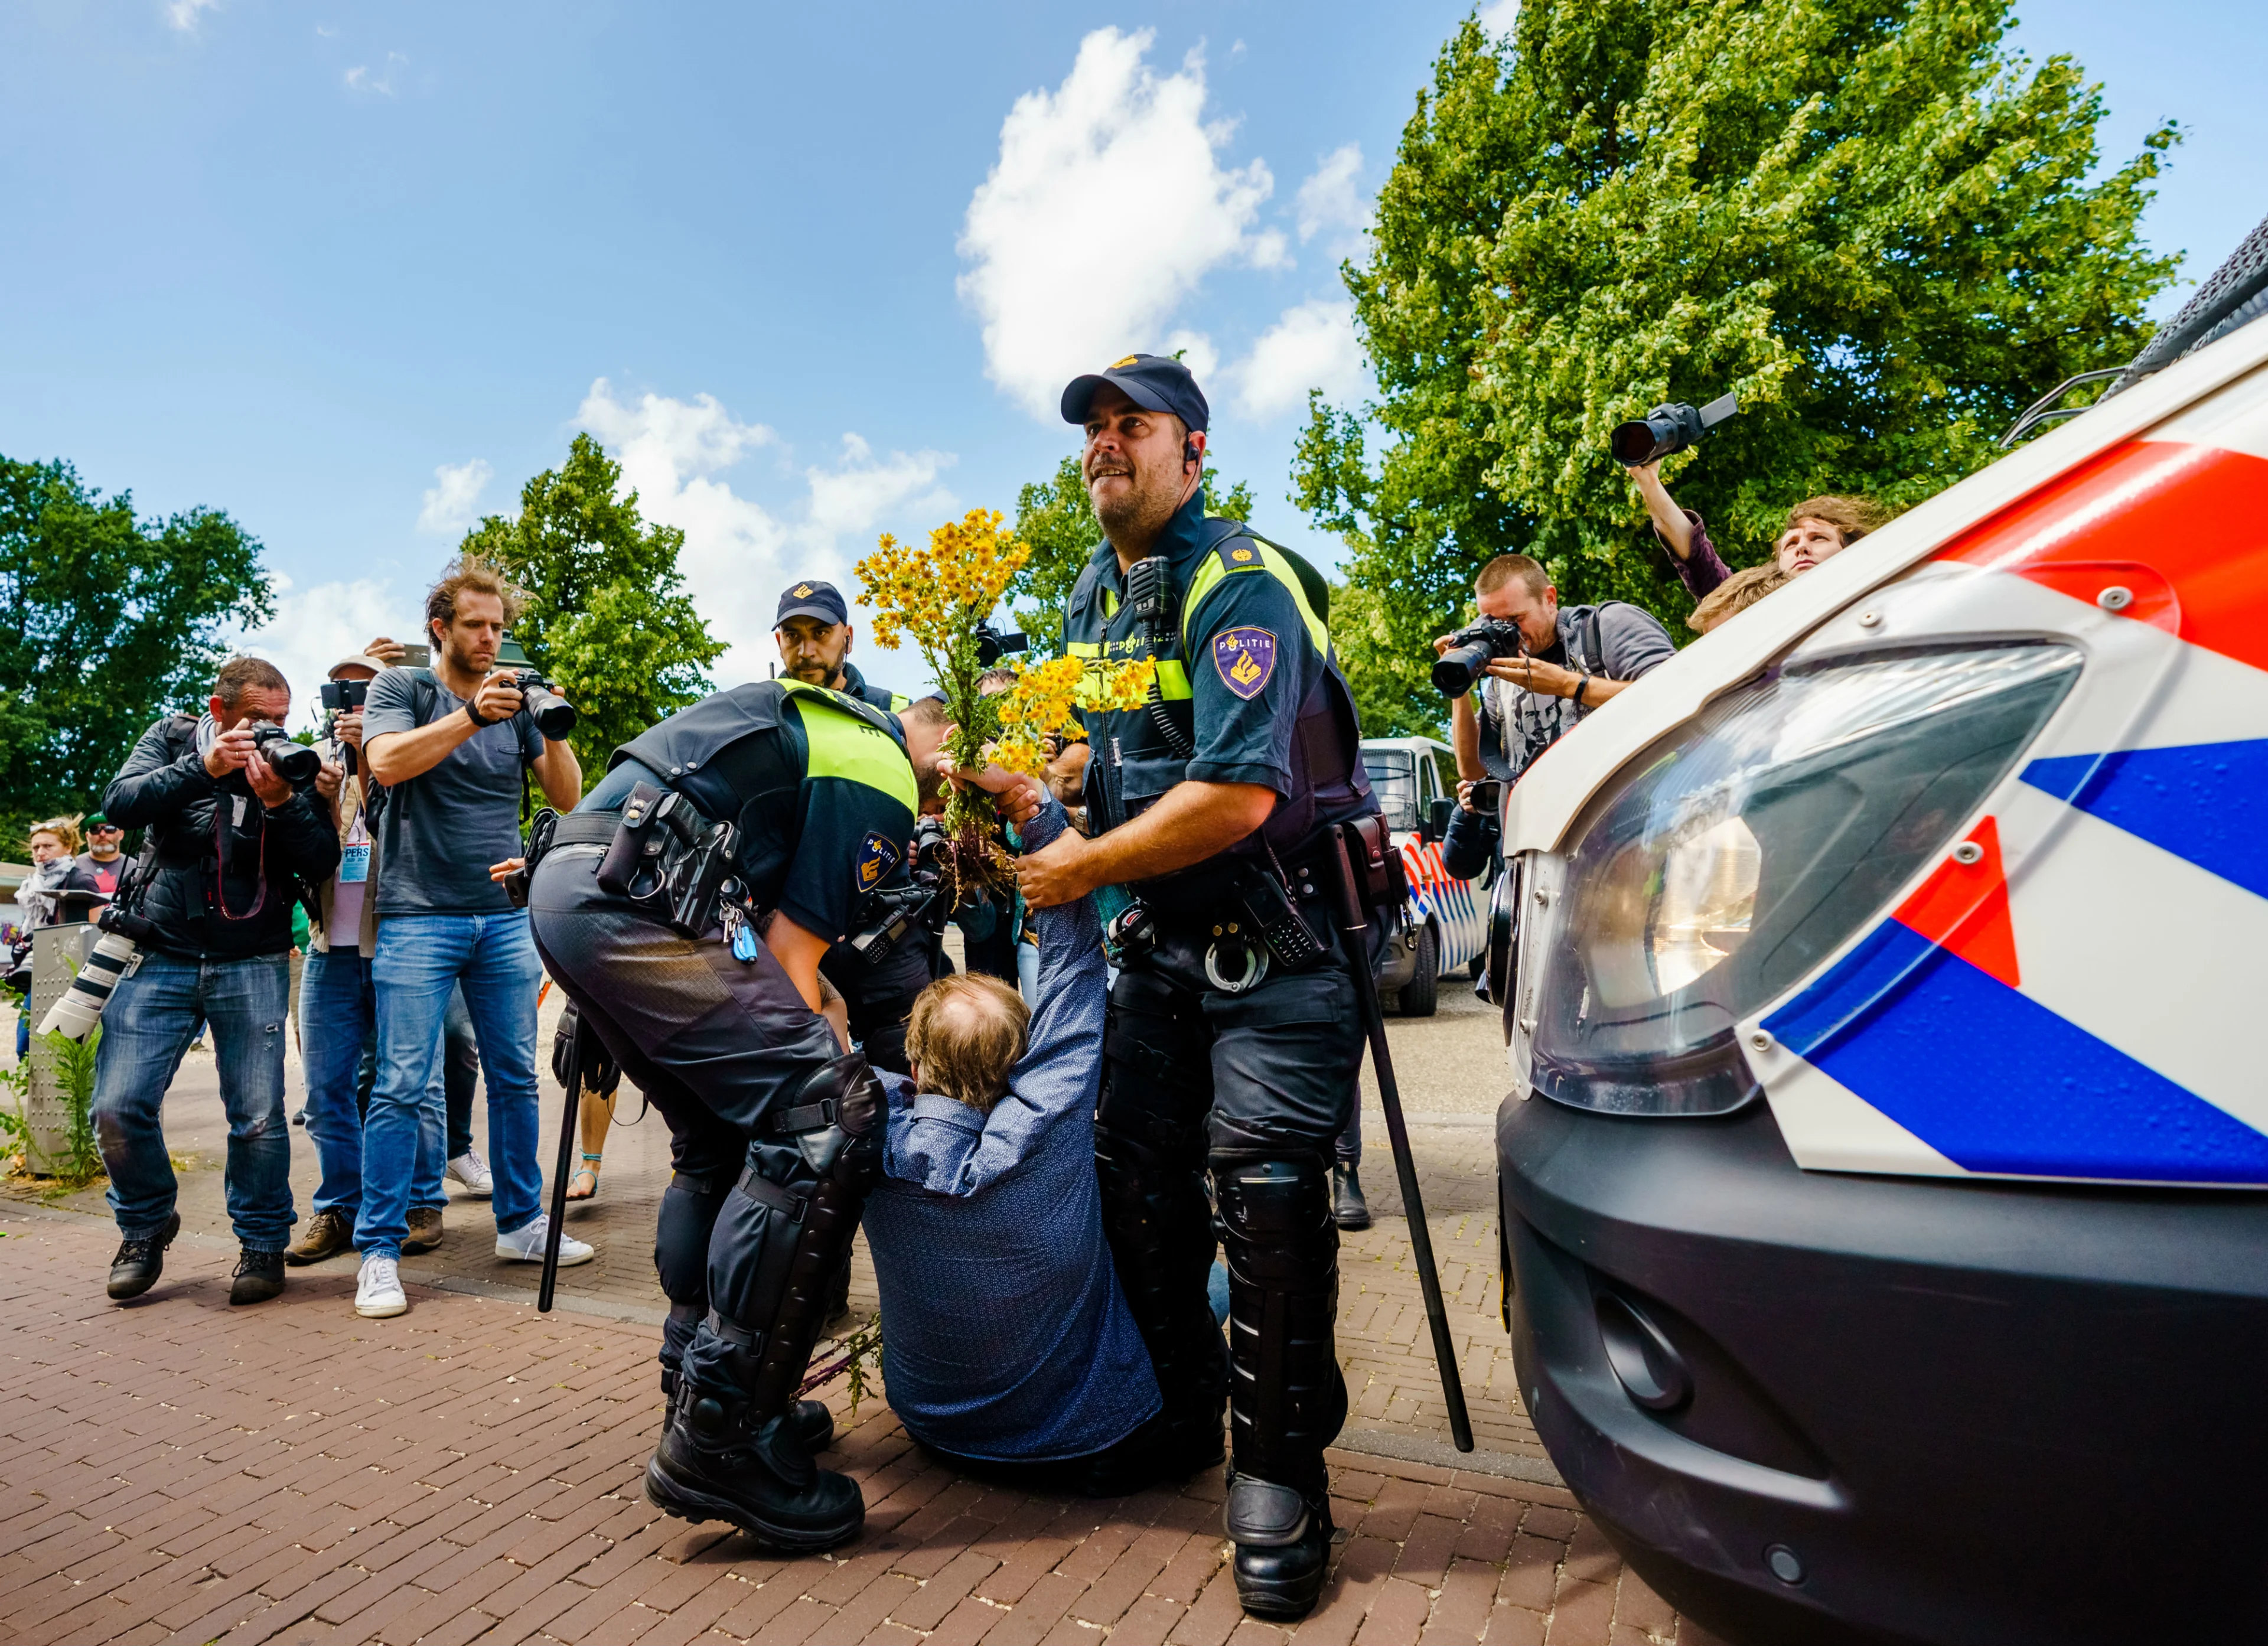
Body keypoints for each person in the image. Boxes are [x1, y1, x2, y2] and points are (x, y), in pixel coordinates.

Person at [1030, 352, 1383, 1621]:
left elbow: (1234, 793)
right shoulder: (1091, 594)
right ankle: (1187, 1411)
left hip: (1278, 941)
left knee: (1268, 1201)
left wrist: (1080, 869)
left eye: (1134, 425)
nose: (1105, 443)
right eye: (1094, 426)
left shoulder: (1242, 580)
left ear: (1193, 451)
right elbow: (1105, 754)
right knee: (1132, 1186)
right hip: (1161, 945)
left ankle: (1280, 1475)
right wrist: (1041, 790)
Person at [527, 677, 950, 1552]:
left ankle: (702, 1392)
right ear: (941, 754)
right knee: (822, 1112)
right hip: (635, 906)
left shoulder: (812, 720)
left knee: (716, 1139)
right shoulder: (880, 767)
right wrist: (825, 1055)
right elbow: (792, 961)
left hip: (584, 887)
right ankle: (723, 1433)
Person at [863, 760, 1165, 1491]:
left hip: (932, 1424)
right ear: (1023, 1057)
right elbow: (1074, 973)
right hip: (1084, 1436)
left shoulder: (867, 1132)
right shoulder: (1045, 1124)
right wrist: (1036, 813)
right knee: (1206, 1284)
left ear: (914, 1055)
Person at [355, 559, 586, 1320]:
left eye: (498, 627)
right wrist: (472, 718)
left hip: (504, 915)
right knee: (401, 1084)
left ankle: (521, 1225)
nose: (490, 639)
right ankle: (379, 1251)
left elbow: (567, 796)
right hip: (418, 915)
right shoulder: (404, 689)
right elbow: (386, 763)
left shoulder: (513, 702)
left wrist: (547, 718)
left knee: (517, 1076)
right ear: (440, 628)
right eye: (476, 625)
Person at [92, 657, 343, 1305]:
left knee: (257, 1117)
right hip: (162, 950)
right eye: (257, 719)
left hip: (254, 957)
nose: (270, 732)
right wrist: (203, 769)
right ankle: (146, 1224)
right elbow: (120, 804)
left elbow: (322, 860)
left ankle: (262, 1242)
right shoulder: (174, 737)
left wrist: (282, 801)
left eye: (281, 720)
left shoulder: (293, 766)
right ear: (219, 710)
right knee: (117, 1107)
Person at [1444, 553, 1678, 787]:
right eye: (1494, 624)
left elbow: (1677, 692)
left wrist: (1567, 685)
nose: (1506, 633)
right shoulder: (1504, 672)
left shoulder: (1608, 624)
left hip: (1635, 804)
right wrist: (1458, 678)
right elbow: (1472, 770)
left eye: (1515, 619)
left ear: (1549, 599)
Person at [1627, 459, 1889, 633]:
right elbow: (1697, 556)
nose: (1802, 548)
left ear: (1851, 550)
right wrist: (1649, 482)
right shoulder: (1748, 606)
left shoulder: (1882, 592)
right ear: (1778, 564)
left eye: (1818, 538)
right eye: (1791, 544)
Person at [16, 819, 104, 1060]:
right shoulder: (31, 885)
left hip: (71, 971)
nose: (40, 853)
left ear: (68, 847)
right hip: (40, 967)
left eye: (48, 846)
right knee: (25, 1045)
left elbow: (96, 930)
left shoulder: (80, 881)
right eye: (36, 847)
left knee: (65, 1045)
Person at [774, 579, 908, 712]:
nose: (806, 652)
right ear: (780, 643)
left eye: (820, 633)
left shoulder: (896, 711)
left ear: (848, 638)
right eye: (792, 636)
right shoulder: (763, 711)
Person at [75, 815, 127, 898]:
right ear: (87, 836)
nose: (102, 834)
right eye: (95, 829)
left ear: (121, 834)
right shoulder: (72, 867)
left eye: (110, 829)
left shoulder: (136, 868)